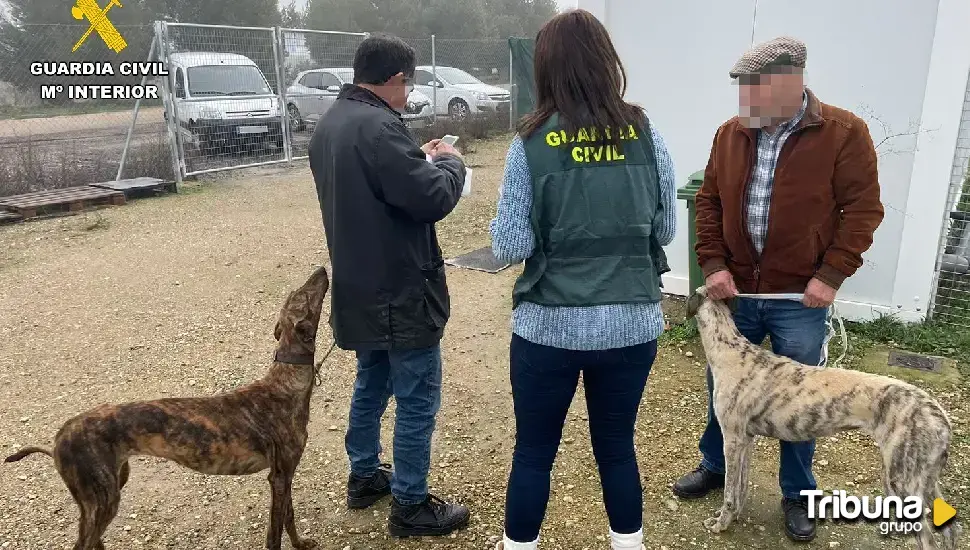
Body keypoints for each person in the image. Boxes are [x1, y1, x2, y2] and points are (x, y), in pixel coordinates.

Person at [672, 36, 885, 542]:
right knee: (722, 389)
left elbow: (862, 210)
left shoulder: (844, 132)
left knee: (802, 400)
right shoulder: (730, 133)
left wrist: (830, 275)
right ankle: (717, 465)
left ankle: (797, 492)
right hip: (737, 293)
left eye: (754, 90)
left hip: (799, 299)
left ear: (790, 82)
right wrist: (712, 264)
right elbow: (709, 204)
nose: (745, 103)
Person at [489, 9, 677, 550]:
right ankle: (628, 543)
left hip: (547, 327)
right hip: (631, 323)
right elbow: (663, 230)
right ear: (605, 61)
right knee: (617, 448)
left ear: (545, 70)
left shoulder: (530, 143)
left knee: (533, 452)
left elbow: (510, 246)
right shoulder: (647, 135)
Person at [308, 33, 470, 538]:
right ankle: (411, 503)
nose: (408, 92)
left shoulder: (330, 125)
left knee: (371, 382)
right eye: (409, 82)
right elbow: (432, 198)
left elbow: (378, 181)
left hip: (357, 286)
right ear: (397, 79)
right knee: (417, 395)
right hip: (400, 289)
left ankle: (363, 476)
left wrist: (412, 155)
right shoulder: (381, 129)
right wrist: (449, 162)